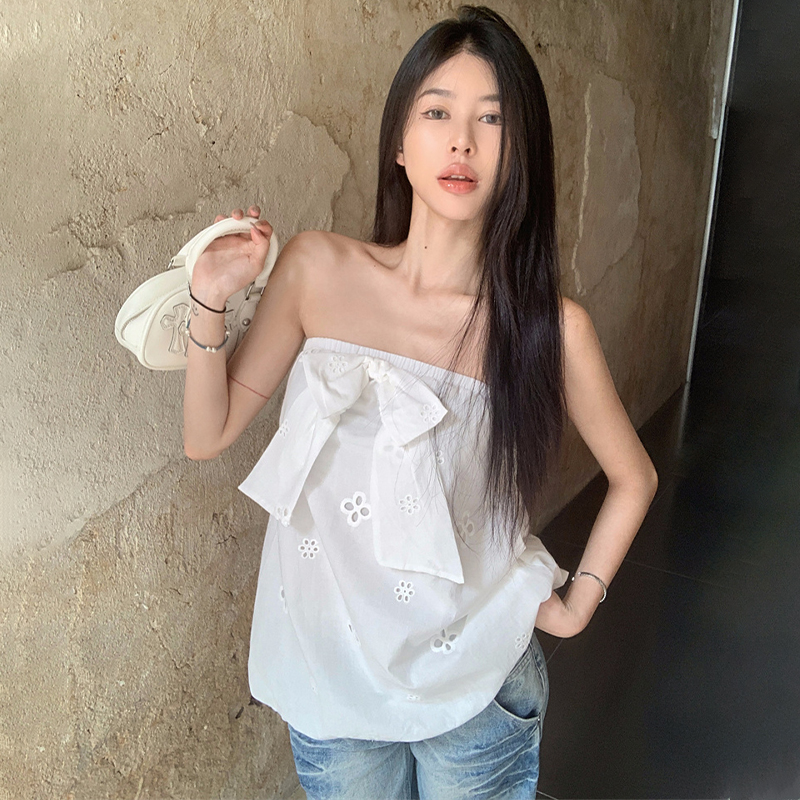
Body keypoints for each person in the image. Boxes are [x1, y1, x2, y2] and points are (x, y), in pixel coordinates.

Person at [182, 5, 658, 798]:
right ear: (400, 143)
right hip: (329, 682)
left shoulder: (548, 328)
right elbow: (207, 433)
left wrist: (579, 603)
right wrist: (209, 299)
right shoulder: (316, 270)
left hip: (477, 687)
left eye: (491, 119)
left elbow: (633, 476)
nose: (462, 141)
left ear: (521, 154)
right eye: (437, 112)